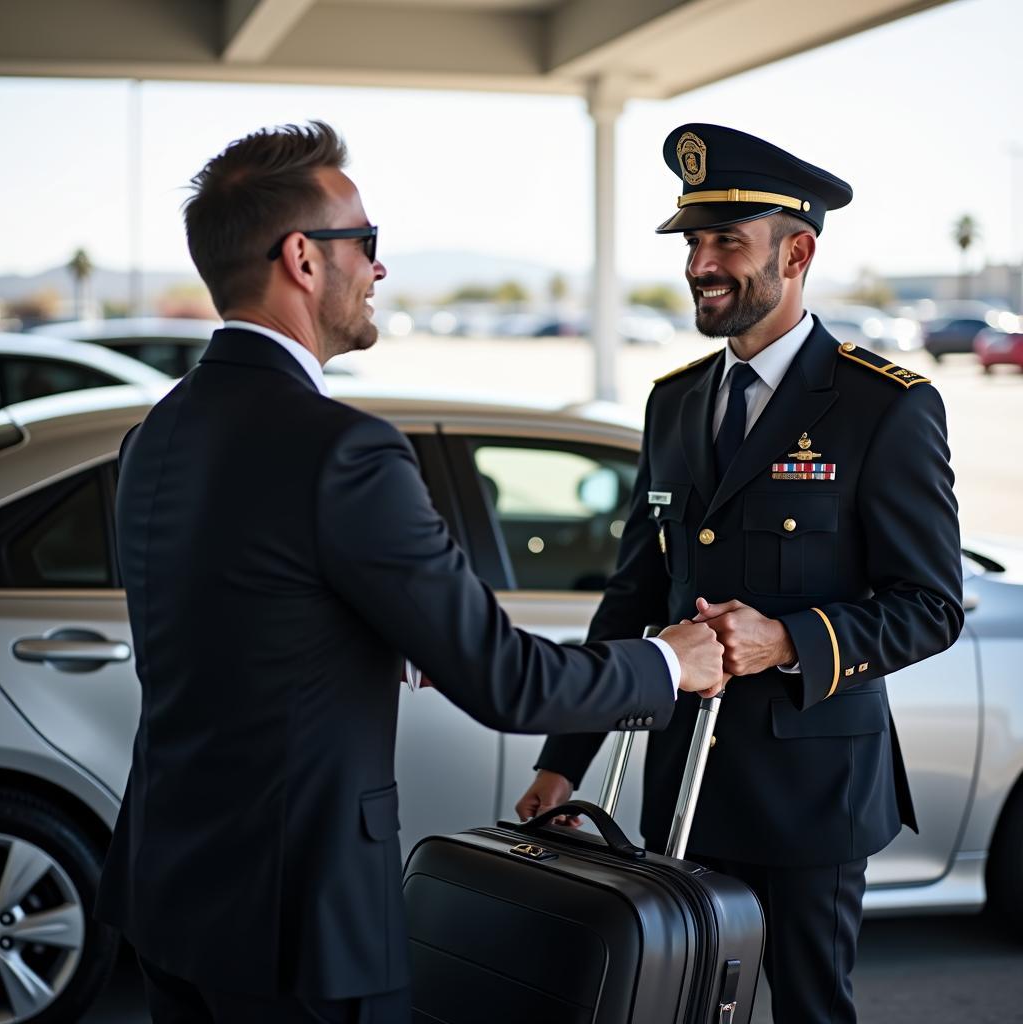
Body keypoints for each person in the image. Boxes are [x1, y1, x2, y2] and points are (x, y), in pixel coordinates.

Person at [93, 121, 725, 1024]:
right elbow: (505, 681)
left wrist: (361, 633)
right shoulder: (341, 451)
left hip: (170, 891)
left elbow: (239, 618)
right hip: (301, 922)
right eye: (368, 243)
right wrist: (670, 662)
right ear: (303, 259)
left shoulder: (157, 433)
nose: (379, 269)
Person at [516, 123, 964, 1024]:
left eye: (728, 241)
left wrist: (787, 642)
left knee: (808, 1011)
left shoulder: (885, 407)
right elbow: (637, 594)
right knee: (669, 1006)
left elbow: (930, 607)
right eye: (692, 241)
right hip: (685, 788)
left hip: (813, 799)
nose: (700, 265)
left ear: (797, 251)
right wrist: (563, 762)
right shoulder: (675, 402)